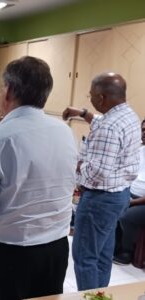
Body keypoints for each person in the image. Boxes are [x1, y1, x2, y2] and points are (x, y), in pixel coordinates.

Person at [0, 56, 78, 300]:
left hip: (10, 253)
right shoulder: (65, 133)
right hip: (55, 248)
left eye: (2, 87)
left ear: (9, 91)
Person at [62, 72, 141, 290]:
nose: (91, 100)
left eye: (92, 96)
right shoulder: (128, 115)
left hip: (99, 200)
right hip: (120, 195)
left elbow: (97, 173)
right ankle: (99, 296)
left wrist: (77, 164)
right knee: (103, 254)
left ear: (102, 98)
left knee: (85, 257)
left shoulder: (108, 127)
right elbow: (102, 123)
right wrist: (84, 114)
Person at [114, 119, 145, 265]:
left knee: (127, 216)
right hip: (130, 193)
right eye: (143, 129)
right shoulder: (139, 150)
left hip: (142, 201)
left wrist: (131, 202)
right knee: (110, 206)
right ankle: (113, 247)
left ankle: (127, 251)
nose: (144, 133)